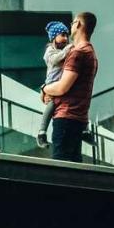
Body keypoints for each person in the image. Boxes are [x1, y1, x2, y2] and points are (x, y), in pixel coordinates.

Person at [40, 11, 99, 163]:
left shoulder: (78, 53)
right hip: (78, 119)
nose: (71, 26)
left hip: (66, 117)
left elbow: (61, 88)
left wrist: (45, 89)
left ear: (78, 24)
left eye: (72, 23)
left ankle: (41, 132)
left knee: (62, 170)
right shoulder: (91, 53)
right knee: (74, 170)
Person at [36, 20, 73, 149]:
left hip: (61, 83)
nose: (66, 38)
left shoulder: (65, 50)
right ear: (53, 37)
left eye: (67, 35)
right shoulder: (50, 51)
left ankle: (84, 129)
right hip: (52, 83)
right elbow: (56, 59)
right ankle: (41, 133)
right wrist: (68, 49)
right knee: (51, 105)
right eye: (62, 35)